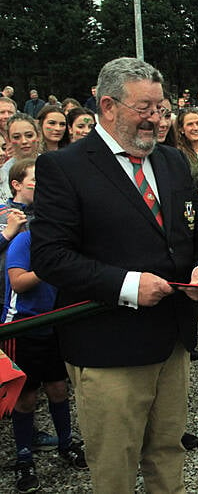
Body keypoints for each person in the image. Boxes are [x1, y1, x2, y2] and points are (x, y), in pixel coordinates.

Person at [30, 57, 198, 492]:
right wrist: (128, 285)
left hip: (172, 341)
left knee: (167, 452)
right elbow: (51, 257)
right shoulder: (64, 168)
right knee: (115, 464)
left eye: (162, 108)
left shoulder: (172, 161)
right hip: (107, 346)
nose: (157, 119)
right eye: (145, 109)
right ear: (108, 106)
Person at [3, 158, 87, 493]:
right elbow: (19, 282)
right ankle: (24, 457)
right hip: (24, 327)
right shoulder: (25, 239)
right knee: (26, 396)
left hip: (56, 324)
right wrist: (51, 268)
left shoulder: (62, 240)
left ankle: (66, 443)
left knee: (58, 388)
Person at [0, 114, 41, 203]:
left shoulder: (52, 165)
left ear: (38, 136)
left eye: (29, 135)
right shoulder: (3, 173)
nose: (24, 141)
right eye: (16, 137)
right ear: (8, 140)